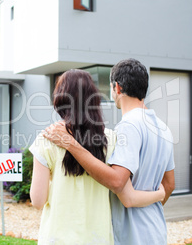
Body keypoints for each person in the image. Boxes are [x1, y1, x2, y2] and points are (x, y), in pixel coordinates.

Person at [43, 59, 176, 245]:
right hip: (156, 230)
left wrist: (70, 143)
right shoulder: (163, 128)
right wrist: (155, 199)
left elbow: (117, 182)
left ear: (117, 88)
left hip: (132, 235)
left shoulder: (128, 127)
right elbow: (169, 185)